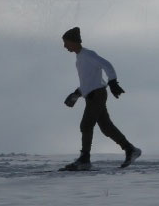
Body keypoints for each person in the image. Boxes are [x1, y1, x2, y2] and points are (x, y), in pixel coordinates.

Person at [60, 27, 141, 170]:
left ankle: (84, 160)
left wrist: (113, 82)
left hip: (97, 95)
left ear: (74, 41)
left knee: (86, 125)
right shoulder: (80, 57)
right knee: (106, 127)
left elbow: (107, 65)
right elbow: (89, 81)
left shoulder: (88, 55)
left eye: (66, 42)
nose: (65, 46)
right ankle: (130, 149)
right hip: (93, 94)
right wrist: (77, 93)